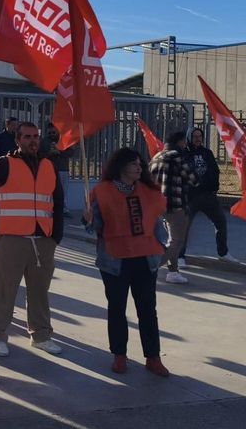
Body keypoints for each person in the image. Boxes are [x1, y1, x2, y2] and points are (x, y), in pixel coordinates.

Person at [0, 121, 65, 357]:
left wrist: (55, 237)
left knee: (40, 291)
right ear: (17, 140)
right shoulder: (5, 163)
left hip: (43, 240)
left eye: (35, 136)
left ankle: (41, 335)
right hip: (13, 239)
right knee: (3, 290)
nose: (33, 140)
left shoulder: (49, 165)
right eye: (27, 136)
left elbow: (58, 203)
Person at [85, 148, 170, 377]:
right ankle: (119, 355)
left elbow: (158, 220)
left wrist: (164, 247)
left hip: (145, 259)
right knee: (117, 309)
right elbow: (96, 226)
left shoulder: (150, 191)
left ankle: (153, 357)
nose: (139, 168)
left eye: (140, 164)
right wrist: (89, 220)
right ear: (121, 166)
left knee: (147, 310)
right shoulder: (102, 192)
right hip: (115, 260)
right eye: (134, 164)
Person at [148, 131, 198, 285]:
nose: (186, 144)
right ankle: (152, 267)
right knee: (177, 240)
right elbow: (193, 178)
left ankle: (173, 271)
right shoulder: (176, 156)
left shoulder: (157, 156)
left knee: (171, 238)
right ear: (180, 141)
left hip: (158, 204)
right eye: (185, 141)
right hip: (175, 204)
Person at [180, 127, 233, 264]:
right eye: (195, 136)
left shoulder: (207, 153)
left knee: (221, 222)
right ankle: (180, 256)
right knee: (184, 227)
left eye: (200, 136)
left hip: (208, 197)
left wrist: (214, 187)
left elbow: (215, 171)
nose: (198, 139)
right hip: (191, 198)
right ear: (189, 138)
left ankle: (223, 253)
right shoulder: (184, 154)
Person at [38, 122, 74, 217]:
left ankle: (63, 208)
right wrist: (49, 154)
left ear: (57, 131)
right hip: (48, 169)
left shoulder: (65, 140)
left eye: (54, 133)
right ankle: (49, 208)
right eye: (50, 133)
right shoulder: (43, 141)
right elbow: (39, 155)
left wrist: (60, 152)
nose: (52, 135)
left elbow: (71, 152)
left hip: (62, 169)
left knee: (62, 190)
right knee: (49, 190)